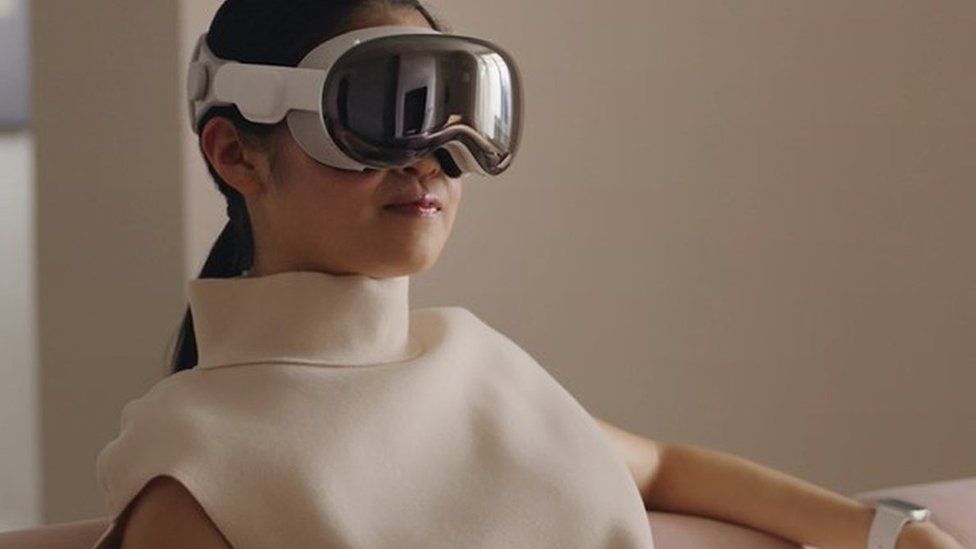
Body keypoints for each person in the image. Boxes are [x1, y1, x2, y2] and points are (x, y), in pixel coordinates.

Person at [93, 2, 965, 549]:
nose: (435, 157)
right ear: (236, 154)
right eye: (387, 109)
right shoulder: (195, 464)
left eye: (457, 112)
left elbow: (664, 467)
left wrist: (891, 533)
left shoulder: (469, 356)